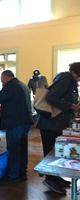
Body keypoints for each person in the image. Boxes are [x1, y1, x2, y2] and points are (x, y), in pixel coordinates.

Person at [36, 62, 80, 194]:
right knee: (51, 152)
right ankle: (50, 179)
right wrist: (71, 106)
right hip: (50, 123)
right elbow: (51, 97)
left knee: (55, 151)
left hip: (54, 123)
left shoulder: (67, 80)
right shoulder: (66, 80)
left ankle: (56, 178)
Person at [0, 70, 33, 182]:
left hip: (15, 123)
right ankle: (22, 172)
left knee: (14, 149)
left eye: (1, 79)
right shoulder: (22, 85)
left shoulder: (11, 85)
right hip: (25, 121)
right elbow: (16, 102)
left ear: (5, 77)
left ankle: (13, 175)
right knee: (22, 148)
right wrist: (4, 108)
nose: (1, 82)